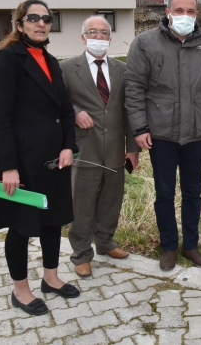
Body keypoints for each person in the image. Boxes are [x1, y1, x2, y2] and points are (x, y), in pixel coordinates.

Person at [0, 0, 80, 316]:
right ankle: (20, 290)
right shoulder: (7, 60)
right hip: (21, 160)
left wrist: (68, 146)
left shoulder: (49, 59)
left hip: (53, 158)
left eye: (46, 18)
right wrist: (8, 167)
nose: (41, 23)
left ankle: (51, 278)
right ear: (20, 24)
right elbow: (1, 118)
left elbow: (65, 108)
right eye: (33, 18)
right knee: (20, 226)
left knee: (52, 221)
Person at [124, 0, 201, 271]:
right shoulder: (145, 43)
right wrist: (140, 127)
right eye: (179, 10)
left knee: (193, 192)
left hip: (196, 133)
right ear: (167, 12)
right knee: (164, 193)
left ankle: (190, 245)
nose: (185, 16)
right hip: (161, 134)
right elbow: (134, 89)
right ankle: (169, 246)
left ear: (197, 14)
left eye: (191, 11)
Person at [60, 15, 140, 278]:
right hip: (85, 149)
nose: (98, 37)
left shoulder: (122, 69)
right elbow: (56, 104)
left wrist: (132, 148)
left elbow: (130, 110)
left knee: (110, 201)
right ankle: (81, 254)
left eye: (103, 32)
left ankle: (106, 242)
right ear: (83, 37)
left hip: (116, 149)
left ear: (109, 38)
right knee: (82, 204)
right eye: (92, 32)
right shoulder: (67, 68)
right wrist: (74, 112)